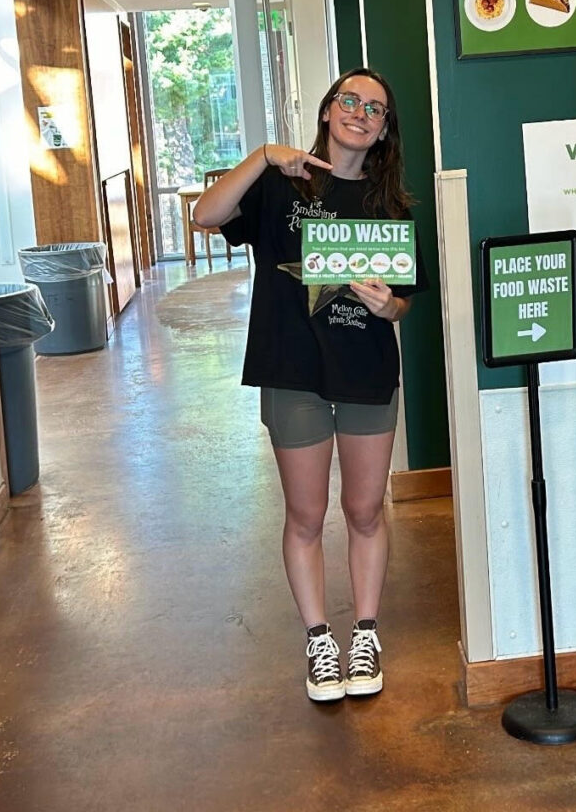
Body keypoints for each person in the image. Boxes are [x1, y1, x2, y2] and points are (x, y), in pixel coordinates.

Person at [192, 68, 426, 703]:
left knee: (365, 510)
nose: (360, 112)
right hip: (292, 370)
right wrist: (267, 154)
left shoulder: (391, 208)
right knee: (304, 513)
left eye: (374, 109)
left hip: (366, 373)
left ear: (383, 132)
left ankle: (366, 634)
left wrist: (389, 309)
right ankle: (320, 640)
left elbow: (404, 301)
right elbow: (204, 214)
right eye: (349, 100)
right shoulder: (280, 183)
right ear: (328, 111)